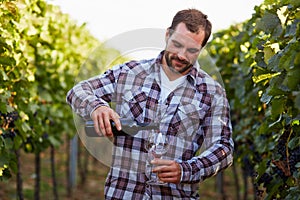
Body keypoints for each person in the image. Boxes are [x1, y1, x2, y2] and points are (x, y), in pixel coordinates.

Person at [66, 8, 234, 199]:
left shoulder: (212, 92)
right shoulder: (129, 73)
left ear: (201, 49)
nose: (181, 55)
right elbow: (78, 91)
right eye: (177, 44)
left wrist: (186, 170)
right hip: (123, 194)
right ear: (167, 35)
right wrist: (97, 106)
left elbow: (224, 148)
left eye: (192, 50)